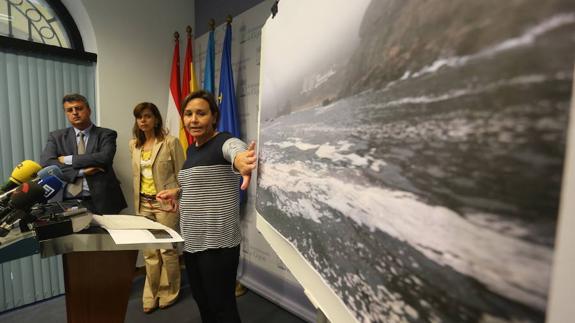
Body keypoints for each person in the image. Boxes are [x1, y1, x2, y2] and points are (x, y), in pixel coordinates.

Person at [156, 90, 256, 323]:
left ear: (214, 116)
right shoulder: (192, 150)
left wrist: (241, 160)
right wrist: (177, 193)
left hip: (218, 243)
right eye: (188, 114)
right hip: (192, 240)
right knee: (202, 301)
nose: (193, 119)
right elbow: (201, 184)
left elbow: (236, 151)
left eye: (201, 113)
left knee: (222, 306)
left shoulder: (224, 141)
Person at [129, 102, 185, 313]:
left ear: (156, 119)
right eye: (139, 117)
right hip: (143, 205)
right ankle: (151, 294)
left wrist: (177, 196)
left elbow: (182, 176)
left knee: (167, 250)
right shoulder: (133, 145)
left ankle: (168, 291)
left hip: (164, 205)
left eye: (147, 116)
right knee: (150, 253)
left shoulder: (170, 142)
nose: (143, 120)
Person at [40, 93, 126, 214]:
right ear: (66, 114)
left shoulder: (106, 134)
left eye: (79, 108)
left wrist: (67, 159)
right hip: (66, 201)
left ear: (89, 110)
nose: (74, 112)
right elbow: (47, 164)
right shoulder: (56, 137)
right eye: (70, 110)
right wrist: (81, 172)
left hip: (101, 200)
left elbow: (105, 157)